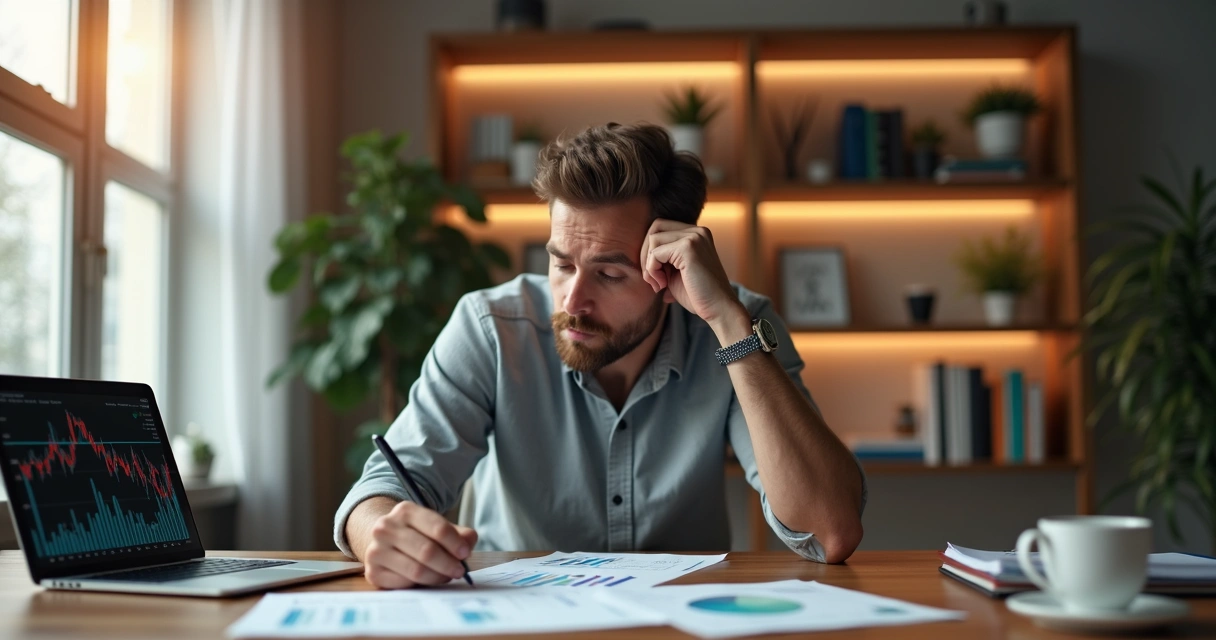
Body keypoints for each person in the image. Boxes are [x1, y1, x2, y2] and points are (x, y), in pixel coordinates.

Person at [335, 122, 866, 589]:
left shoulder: (737, 323)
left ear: (671, 268)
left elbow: (830, 531)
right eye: (562, 264)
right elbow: (378, 493)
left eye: (610, 274)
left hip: (679, 625)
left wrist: (728, 324)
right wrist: (379, 534)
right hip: (519, 625)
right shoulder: (492, 329)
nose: (572, 302)